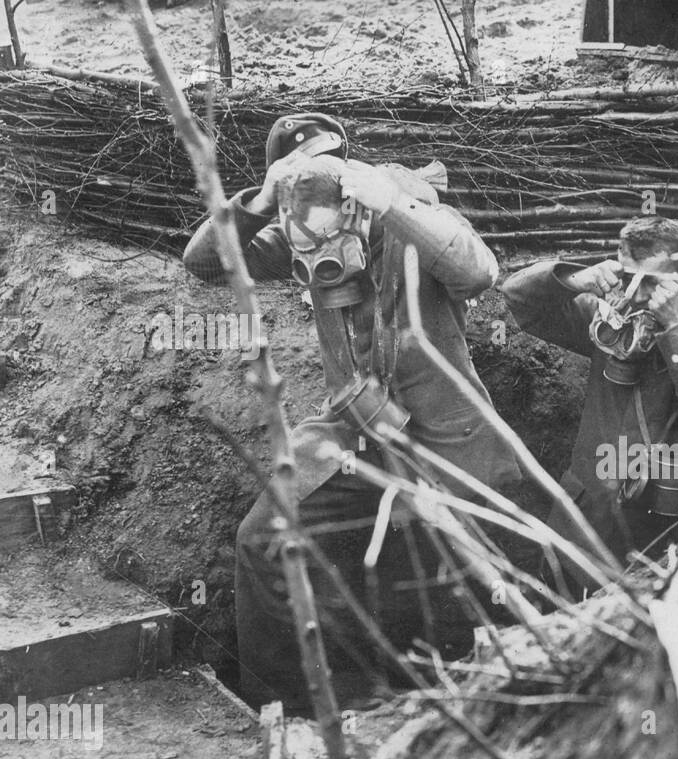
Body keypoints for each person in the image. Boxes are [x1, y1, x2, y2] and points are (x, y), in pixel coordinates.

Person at [183, 112, 520, 710]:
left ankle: (476, 714)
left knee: (467, 585)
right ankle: (291, 706)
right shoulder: (293, 224)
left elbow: (480, 273)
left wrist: (390, 204)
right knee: (262, 539)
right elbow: (203, 264)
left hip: (447, 430)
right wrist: (258, 204)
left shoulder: (406, 218)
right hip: (354, 427)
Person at [499, 216, 678, 579]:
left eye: (654, 283)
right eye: (631, 280)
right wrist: (573, 279)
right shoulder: (611, 326)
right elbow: (518, 297)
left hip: (667, 525)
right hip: (592, 518)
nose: (639, 295)